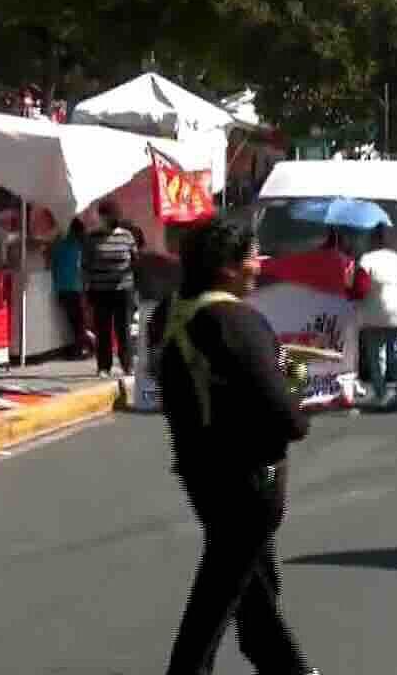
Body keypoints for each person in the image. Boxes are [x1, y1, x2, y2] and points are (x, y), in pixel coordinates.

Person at [157, 219, 318, 675]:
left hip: (200, 468)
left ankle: (287, 666)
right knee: (221, 590)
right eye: (252, 256)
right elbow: (279, 412)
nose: (258, 265)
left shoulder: (173, 312)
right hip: (250, 476)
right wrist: (296, 400)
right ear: (227, 268)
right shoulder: (238, 320)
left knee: (253, 584)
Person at [357, 222, 397, 410]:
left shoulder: (366, 260)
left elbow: (359, 287)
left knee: (376, 356)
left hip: (374, 313)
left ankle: (381, 394)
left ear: (372, 239)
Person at [84, 200, 140, 377]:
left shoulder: (127, 237)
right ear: (101, 217)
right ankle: (104, 367)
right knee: (103, 329)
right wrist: (87, 287)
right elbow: (85, 265)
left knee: (123, 328)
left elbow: (135, 260)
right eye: (106, 216)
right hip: (100, 290)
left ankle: (127, 365)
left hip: (123, 290)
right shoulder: (92, 238)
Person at [52, 218, 90, 360]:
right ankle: (81, 348)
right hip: (75, 286)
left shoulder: (61, 242)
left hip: (62, 286)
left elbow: (53, 261)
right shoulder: (80, 244)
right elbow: (82, 266)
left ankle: (81, 348)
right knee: (78, 320)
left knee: (74, 320)